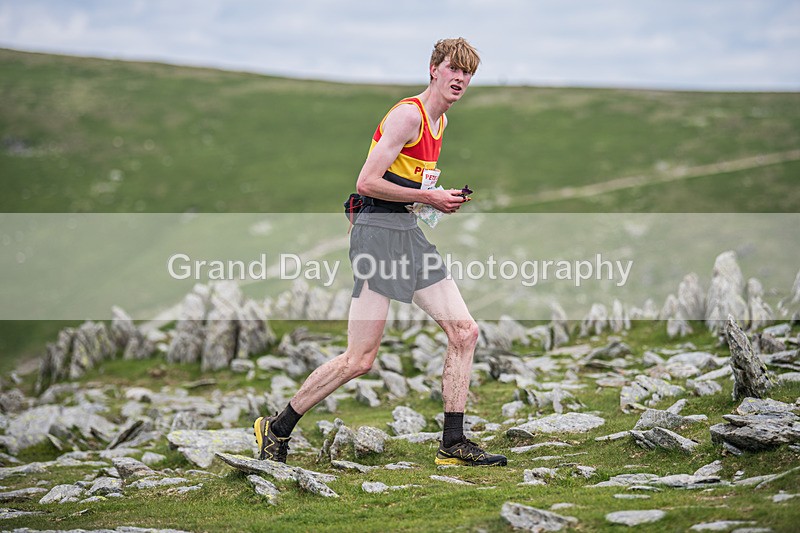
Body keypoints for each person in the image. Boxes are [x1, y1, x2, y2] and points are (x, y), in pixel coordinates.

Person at [254, 38, 507, 467]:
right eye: (453, 68)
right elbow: (366, 182)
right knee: (360, 359)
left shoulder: (440, 122)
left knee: (465, 332)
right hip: (377, 236)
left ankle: (453, 443)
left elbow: (406, 183)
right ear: (434, 69)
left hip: (406, 232)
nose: (460, 78)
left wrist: (434, 198)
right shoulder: (409, 115)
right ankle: (276, 428)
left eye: (467, 72)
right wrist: (428, 197)